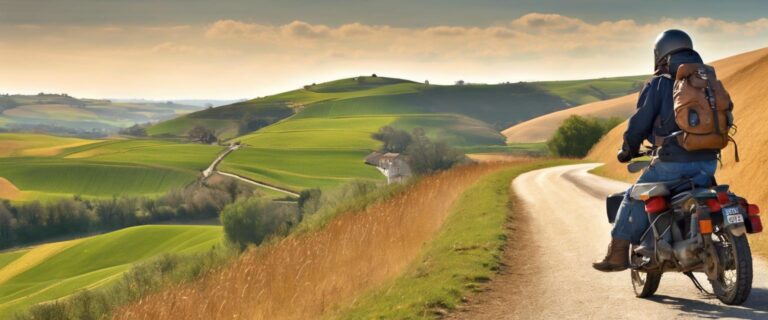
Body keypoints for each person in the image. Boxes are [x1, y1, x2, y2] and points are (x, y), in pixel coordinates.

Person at [592, 29, 720, 272]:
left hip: (671, 162)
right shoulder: (707, 81)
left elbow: (640, 122)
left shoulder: (660, 83)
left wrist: (628, 149)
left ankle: (617, 253)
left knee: (633, 195)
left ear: (660, 54)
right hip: (708, 161)